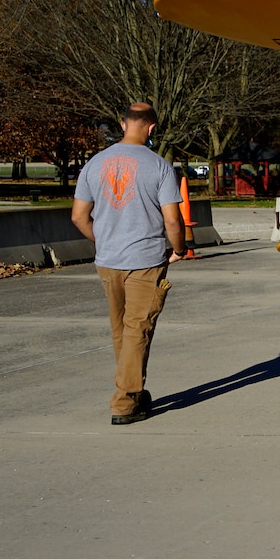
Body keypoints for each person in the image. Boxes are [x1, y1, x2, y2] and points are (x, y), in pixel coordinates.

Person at [71, 104, 186, 425]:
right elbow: (173, 220)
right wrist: (180, 249)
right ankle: (124, 403)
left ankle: (133, 392)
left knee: (122, 330)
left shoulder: (94, 164)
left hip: (108, 261)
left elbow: (78, 216)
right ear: (151, 128)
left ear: (123, 124)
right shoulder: (159, 166)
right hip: (146, 260)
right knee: (139, 328)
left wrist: (103, 240)